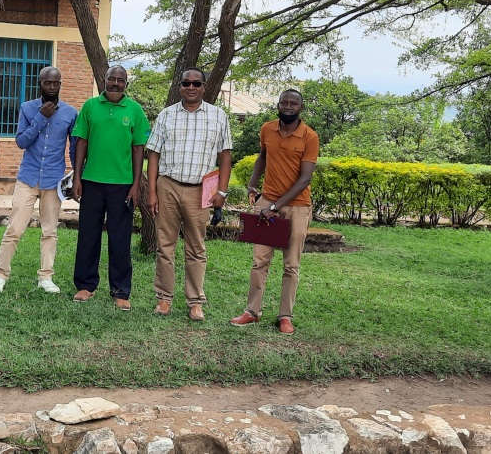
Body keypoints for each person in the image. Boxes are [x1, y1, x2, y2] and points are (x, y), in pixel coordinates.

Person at [230, 89, 319, 335]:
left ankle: (285, 316)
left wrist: (275, 207)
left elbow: (305, 178)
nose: (288, 106)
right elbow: (263, 157)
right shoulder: (267, 129)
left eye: (294, 103)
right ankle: (252, 312)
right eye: (284, 102)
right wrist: (251, 184)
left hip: (297, 207)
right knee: (260, 261)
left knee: (291, 264)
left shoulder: (309, 136)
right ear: (278, 105)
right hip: (267, 202)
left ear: (301, 107)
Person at [145, 68, 232, 321]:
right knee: (165, 246)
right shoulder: (166, 115)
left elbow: (225, 156)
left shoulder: (218, 116)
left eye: (196, 83)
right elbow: (154, 155)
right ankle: (163, 298)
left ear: (204, 87)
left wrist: (222, 192)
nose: (191, 87)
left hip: (199, 192)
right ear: (180, 86)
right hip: (168, 186)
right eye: (186, 83)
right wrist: (152, 191)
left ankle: (195, 302)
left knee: (196, 248)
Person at [0, 66, 77, 295]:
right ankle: (0, 275)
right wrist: (41, 118)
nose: (51, 87)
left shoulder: (69, 113)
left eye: (56, 83)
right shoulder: (28, 108)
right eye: (47, 83)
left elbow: (75, 147)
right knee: (14, 229)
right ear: (40, 84)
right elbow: (21, 141)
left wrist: (77, 173)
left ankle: (46, 277)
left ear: (60, 84)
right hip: (27, 179)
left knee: (50, 231)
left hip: (53, 181)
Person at [70, 65, 148, 310]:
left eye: (120, 80)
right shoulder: (90, 106)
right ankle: (85, 285)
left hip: (123, 185)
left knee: (120, 239)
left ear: (126, 83)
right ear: (104, 80)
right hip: (92, 181)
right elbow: (81, 141)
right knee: (88, 236)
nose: (115, 83)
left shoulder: (135, 110)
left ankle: (120, 291)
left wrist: (136, 185)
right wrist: (77, 177)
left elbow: (139, 149)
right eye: (111, 79)